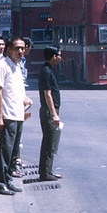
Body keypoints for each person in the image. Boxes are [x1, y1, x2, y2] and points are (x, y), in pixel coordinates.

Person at [0, 36, 31, 196]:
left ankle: (8, 179)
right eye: (17, 48)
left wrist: (25, 100)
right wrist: (0, 116)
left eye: (22, 48)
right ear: (9, 50)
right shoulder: (2, 65)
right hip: (7, 115)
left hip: (18, 114)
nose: (20, 51)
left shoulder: (16, 67)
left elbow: (16, 91)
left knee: (13, 151)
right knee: (5, 150)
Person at [38, 47, 63, 182]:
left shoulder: (49, 70)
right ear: (53, 56)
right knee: (50, 142)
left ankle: (47, 170)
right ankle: (45, 173)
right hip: (49, 111)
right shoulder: (46, 72)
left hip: (50, 111)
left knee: (50, 141)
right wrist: (54, 114)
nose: (60, 58)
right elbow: (47, 94)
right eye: (59, 55)